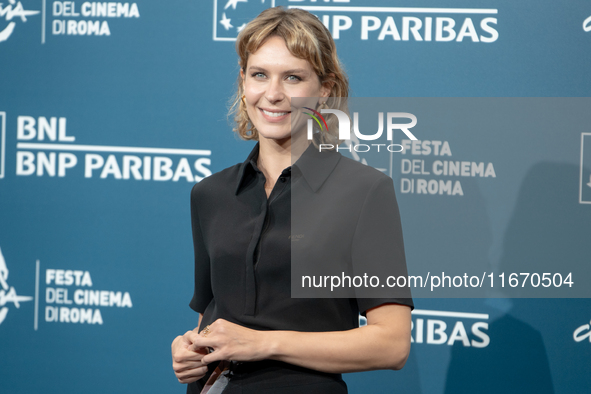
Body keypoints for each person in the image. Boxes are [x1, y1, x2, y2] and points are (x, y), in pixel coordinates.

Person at [171, 6, 413, 393]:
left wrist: (264, 344)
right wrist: (188, 348)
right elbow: (213, 318)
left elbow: (392, 344)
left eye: (293, 77)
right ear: (243, 82)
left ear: (326, 89)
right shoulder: (210, 194)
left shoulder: (363, 191)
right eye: (259, 75)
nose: (273, 94)